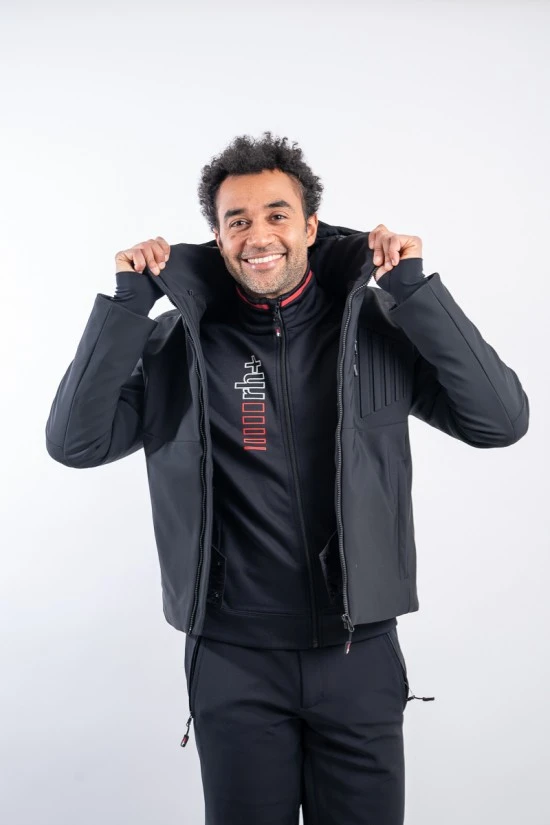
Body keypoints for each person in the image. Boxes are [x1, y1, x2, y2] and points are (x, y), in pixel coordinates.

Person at [45, 131, 529, 825]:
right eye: (237, 220)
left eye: (277, 214)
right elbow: (75, 442)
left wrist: (413, 289)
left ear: (310, 226)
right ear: (218, 238)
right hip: (232, 658)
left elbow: (500, 421)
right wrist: (127, 305)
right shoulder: (175, 344)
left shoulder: (378, 330)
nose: (258, 235)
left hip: (358, 653)